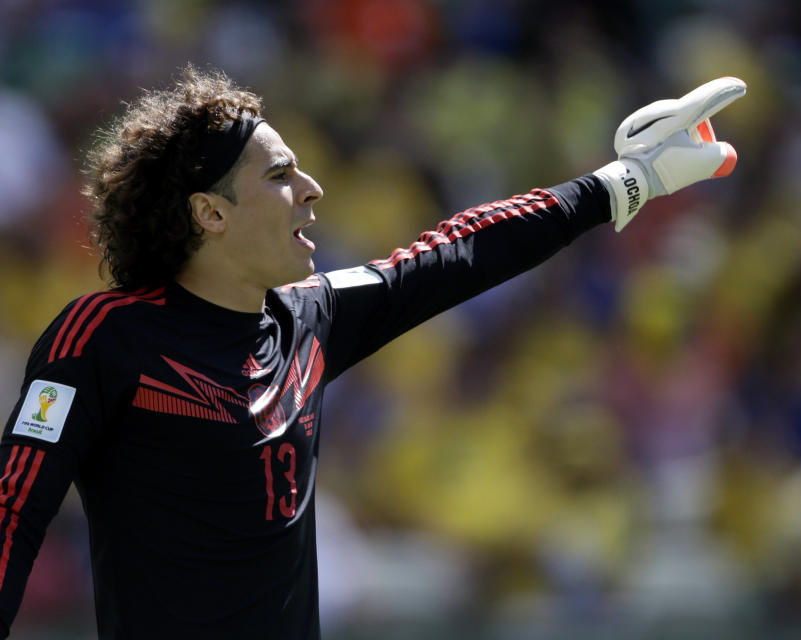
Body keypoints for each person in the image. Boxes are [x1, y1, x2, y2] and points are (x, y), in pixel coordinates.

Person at [0, 65, 745, 639]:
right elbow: (13, 513)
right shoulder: (100, 338)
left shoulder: (308, 319)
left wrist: (626, 181)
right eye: (280, 175)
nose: (312, 189)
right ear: (210, 212)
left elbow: (456, 253)